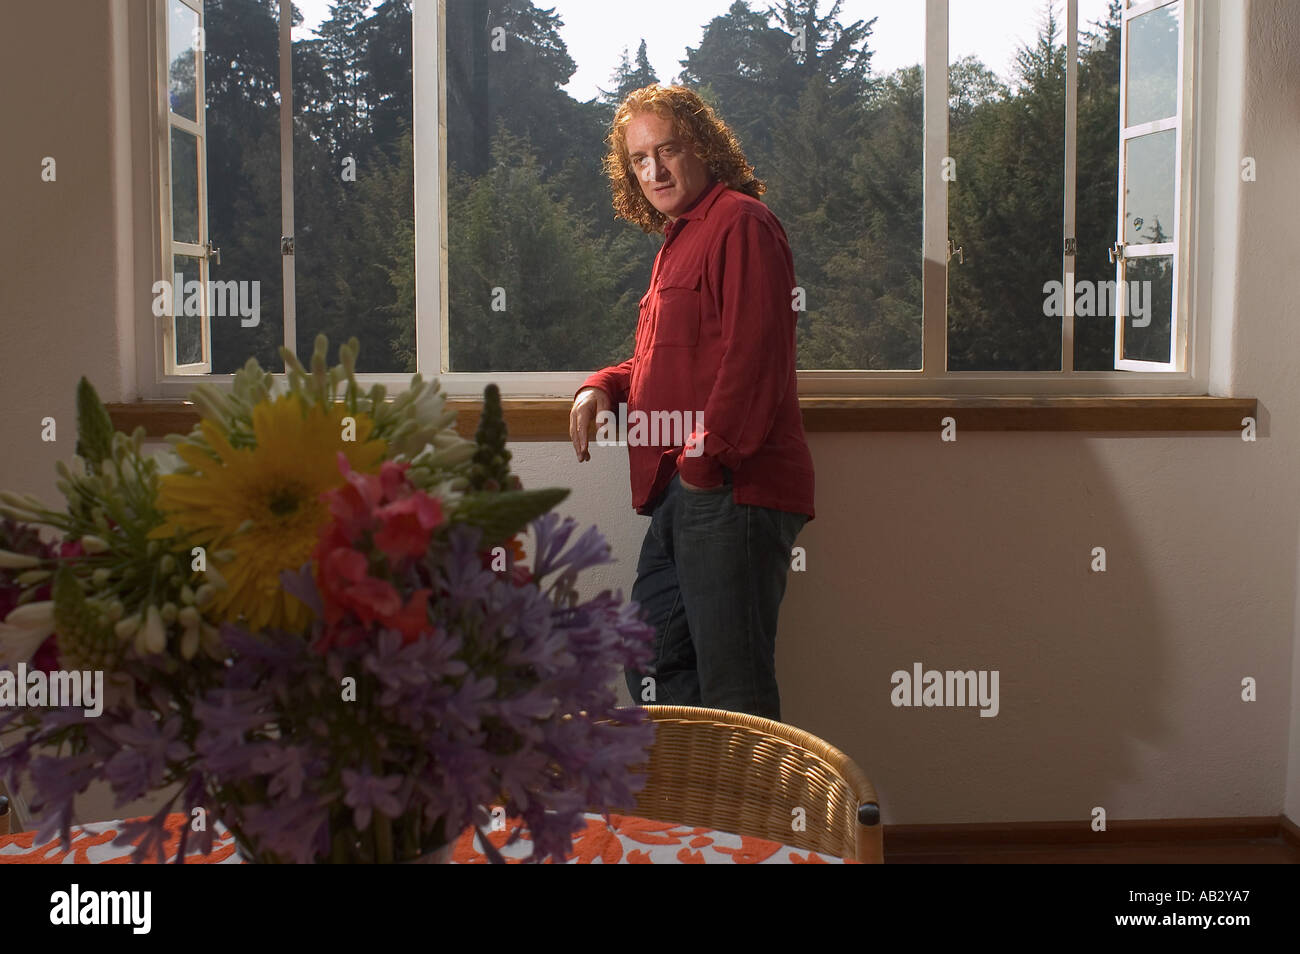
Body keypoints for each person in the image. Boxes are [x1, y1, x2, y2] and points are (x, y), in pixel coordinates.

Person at [568, 85, 814, 721]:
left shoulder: (741, 223)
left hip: (730, 486)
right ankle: (702, 817)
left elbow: (754, 355)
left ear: (703, 146)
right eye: (640, 159)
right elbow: (664, 358)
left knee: (737, 693)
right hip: (685, 491)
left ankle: (757, 824)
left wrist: (706, 463)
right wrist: (605, 385)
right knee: (654, 662)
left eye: (668, 150)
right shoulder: (680, 239)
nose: (654, 170)